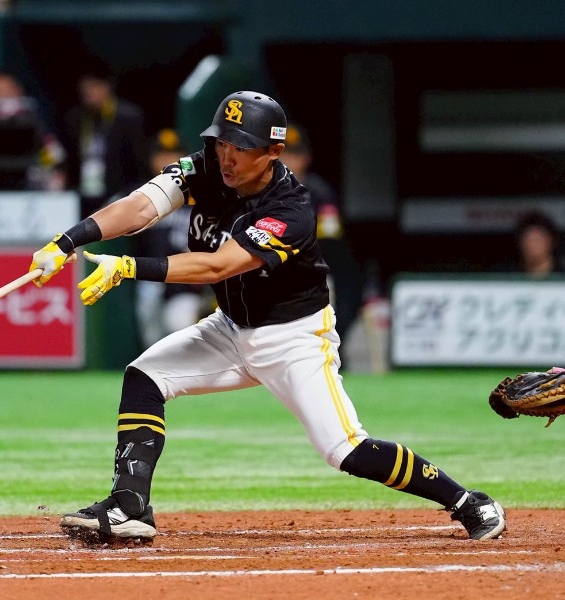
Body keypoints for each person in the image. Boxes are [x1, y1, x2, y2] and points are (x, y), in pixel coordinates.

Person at [29, 91, 506, 543]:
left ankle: (467, 501)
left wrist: (129, 267)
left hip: (293, 338)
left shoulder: (290, 208)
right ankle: (129, 505)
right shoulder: (205, 169)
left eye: (242, 147)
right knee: (145, 376)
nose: (227, 156)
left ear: (273, 152)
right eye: (222, 142)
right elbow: (140, 207)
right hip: (230, 327)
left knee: (345, 449)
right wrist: (67, 241)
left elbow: (219, 266)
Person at [279, 123, 362, 344]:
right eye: (283, 154)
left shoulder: (320, 192)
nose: (288, 161)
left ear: (305, 158)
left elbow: (330, 237)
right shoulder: (259, 191)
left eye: (294, 155)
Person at [134, 128, 210, 349]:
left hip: (184, 281)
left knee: (180, 324)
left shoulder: (201, 194)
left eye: (174, 154)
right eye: (162, 155)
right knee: (151, 337)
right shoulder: (140, 195)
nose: (167, 160)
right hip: (148, 277)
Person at [62, 61, 148, 218]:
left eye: (93, 87)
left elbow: (138, 162)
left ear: (106, 87)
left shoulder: (128, 117)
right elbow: (71, 157)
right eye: (85, 89)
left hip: (117, 194)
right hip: (83, 193)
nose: (89, 93)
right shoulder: (76, 118)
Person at [506, 210, 565, 277]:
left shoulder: (562, 275)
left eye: (539, 239)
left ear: (552, 241)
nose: (533, 245)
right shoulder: (508, 276)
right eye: (529, 240)